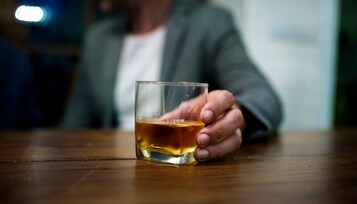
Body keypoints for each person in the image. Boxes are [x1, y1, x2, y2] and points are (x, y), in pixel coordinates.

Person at [61, 0, 282, 162]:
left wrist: (230, 116)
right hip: (115, 170)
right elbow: (73, 127)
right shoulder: (99, 38)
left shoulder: (209, 23)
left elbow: (264, 97)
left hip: (185, 174)